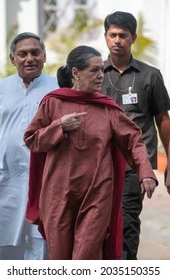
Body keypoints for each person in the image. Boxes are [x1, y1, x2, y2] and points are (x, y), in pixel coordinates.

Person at [23, 45, 158, 260]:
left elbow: (133, 140)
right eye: (94, 70)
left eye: (101, 71)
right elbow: (31, 140)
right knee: (61, 259)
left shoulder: (107, 108)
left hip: (97, 193)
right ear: (75, 73)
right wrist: (59, 126)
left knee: (85, 258)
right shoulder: (53, 103)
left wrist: (146, 172)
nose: (100, 76)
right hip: (58, 195)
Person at [101, 11, 170, 260]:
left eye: (123, 35)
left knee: (127, 220)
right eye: (112, 35)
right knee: (100, 224)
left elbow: (163, 119)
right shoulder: (95, 73)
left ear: (133, 38)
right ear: (105, 36)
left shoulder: (150, 75)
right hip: (99, 163)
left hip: (134, 164)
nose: (117, 40)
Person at [0, 32, 58, 260]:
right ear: (13, 59)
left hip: (44, 179)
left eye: (35, 53)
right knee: (4, 242)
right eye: (22, 54)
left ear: (44, 56)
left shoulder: (58, 88)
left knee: (40, 244)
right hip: (6, 180)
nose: (29, 58)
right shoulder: (0, 89)